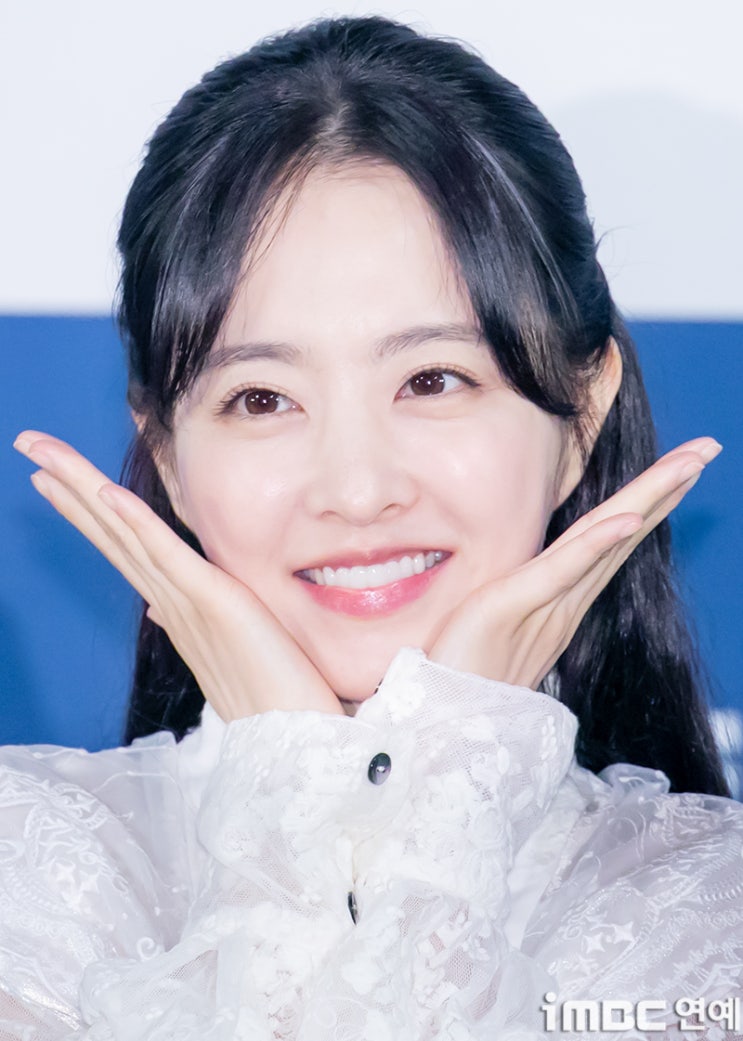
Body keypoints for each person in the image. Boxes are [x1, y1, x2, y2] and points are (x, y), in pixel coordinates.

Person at [3, 14, 742, 1040]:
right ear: (165, 452)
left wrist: (444, 771)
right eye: (262, 399)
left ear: (579, 417)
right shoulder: (30, 877)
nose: (355, 491)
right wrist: (293, 771)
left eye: (431, 380)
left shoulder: (707, 914)